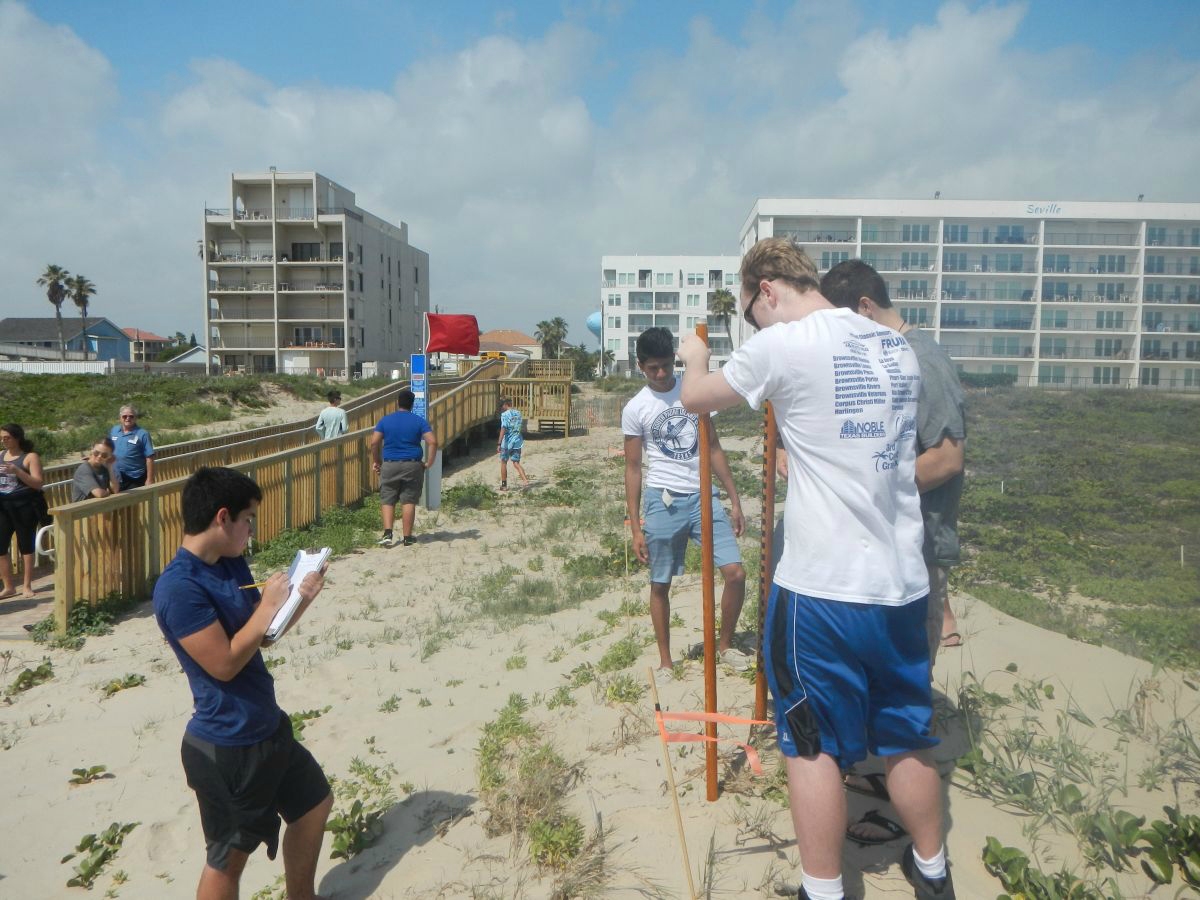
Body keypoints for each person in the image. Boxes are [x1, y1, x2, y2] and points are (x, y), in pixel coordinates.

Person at [678, 239, 954, 900]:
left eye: (752, 312)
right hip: (901, 584)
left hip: (822, 594)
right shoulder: (893, 347)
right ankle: (934, 870)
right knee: (906, 737)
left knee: (811, 744)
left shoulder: (785, 344)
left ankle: (823, 890)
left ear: (768, 289)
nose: (756, 325)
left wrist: (696, 360)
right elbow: (857, 440)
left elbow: (696, 399)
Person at [152, 467, 332, 900]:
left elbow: (261, 637)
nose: (251, 531)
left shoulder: (229, 562)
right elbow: (226, 664)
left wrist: (298, 601)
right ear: (222, 517)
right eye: (248, 519)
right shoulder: (179, 587)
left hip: (266, 725)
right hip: (227, 744)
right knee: (228, 859)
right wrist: (269, 602)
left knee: (313, 806)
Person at [821, 260, 966, 658]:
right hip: (888, 543)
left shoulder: (924, 359)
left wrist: (870, 487)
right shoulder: (888, 354)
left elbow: (947, 457)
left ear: (865, 307)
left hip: (921, 548)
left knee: (912, 674)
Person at [622, 327, 748, 672]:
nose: (661, 375)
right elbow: (633, 469)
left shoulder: (693, 392)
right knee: (660, 583)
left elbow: (713, 447)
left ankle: (724, 646)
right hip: (662, 501)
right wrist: (636, 526)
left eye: (666, 366)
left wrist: (734, 500)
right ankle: (666, 662)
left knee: (735, 574)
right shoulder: (636, 408)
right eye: (653, 369)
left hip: (704, 497)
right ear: (640, 366)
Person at [369, 388, 437, 548]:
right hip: (412, 464)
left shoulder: (385, 420)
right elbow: (432, 441)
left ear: (397, 402)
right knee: (408, 500)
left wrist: (377, 461)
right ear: (412, 405)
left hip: (390, 463)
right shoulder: (419, 421)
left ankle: (387, 534)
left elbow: (374, 442)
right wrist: (429, 463)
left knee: (388, 498)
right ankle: (407, 537)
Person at [0, 423, 45, 600]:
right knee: (1, 546)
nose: (3, 441)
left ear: (17, 437)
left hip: (25, 505)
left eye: (7, 437)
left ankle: (27, 586)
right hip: (4, 506)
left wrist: (17, 470)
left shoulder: (30, 457)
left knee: (25, 545)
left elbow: (38, 483)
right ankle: (8, 586)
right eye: (2, 438)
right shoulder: (1, 455)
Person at [110, 404, 155, 490]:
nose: (128, 418)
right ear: (120, 417)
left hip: (135, 477)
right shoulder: (114, 430)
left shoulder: (143, 434)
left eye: (131, 416)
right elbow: (107, 448)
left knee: (132, 502)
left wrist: (150, 479)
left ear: (135, 418)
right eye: (124, 416)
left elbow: (150, 458)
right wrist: (93, 456)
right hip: (116, 476)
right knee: (117, 501)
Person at [71, 437, 122, 502]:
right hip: (80, 510)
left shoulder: (104, 468)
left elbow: (115, 490)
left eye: (104, 455)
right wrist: (109, 493)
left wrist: (110, 467)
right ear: (92, 450)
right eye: (96, 453)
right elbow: (99, 494)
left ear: (110, 456)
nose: (99, 456)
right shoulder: (84, 470)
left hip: (95, 509)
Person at [497, 397, 530, 490]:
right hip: (517, 441)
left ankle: (504, 485)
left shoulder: (504, 415)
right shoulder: (518, 413)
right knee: (516, 463)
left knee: (503, 462)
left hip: (507, 443)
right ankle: (525, 481)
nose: (501, 408)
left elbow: (503, 428)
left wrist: (499, 443)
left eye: (501, 406)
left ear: (505, 405)